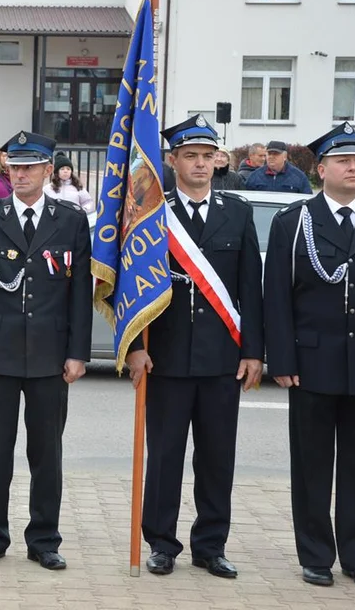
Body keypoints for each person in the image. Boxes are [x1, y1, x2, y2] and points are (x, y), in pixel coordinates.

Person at [125, 114, 264, 579]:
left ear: (218, 160)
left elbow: (251, 288)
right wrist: (132, 349)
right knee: (164, 457)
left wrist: (252, 352)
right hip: (164, 356)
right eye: (190, 156)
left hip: (222, 358)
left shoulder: (237, 212)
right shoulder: (152, 213)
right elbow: (132, 286)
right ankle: (161, 543)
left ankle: (211, 545)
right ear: (172, 160)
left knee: (217, 456)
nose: (200, 164)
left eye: (207, 156)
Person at [0, 131, 92, 569]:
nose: (21, 174)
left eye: (30, 167)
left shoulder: (70, 220)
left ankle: (44, 540)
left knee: (47, 454)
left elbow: (77, 294)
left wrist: (78, 352)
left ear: (48, 170)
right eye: (14, 167)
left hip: (51, 355)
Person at [264, 123, 355, 590]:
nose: (354, 167)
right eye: (344, 161)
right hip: (313, 362)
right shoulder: (295, 222)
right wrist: (282, 359)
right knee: (312, 465)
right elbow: (276, 295)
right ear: (321, 169)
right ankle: (315, 554)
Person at [245, 140, 312, 193]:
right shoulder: (254, 176)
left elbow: (307, 202)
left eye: (275, 154)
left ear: (285, 157)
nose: (271, 157)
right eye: (269, 153)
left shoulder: (299, 177)